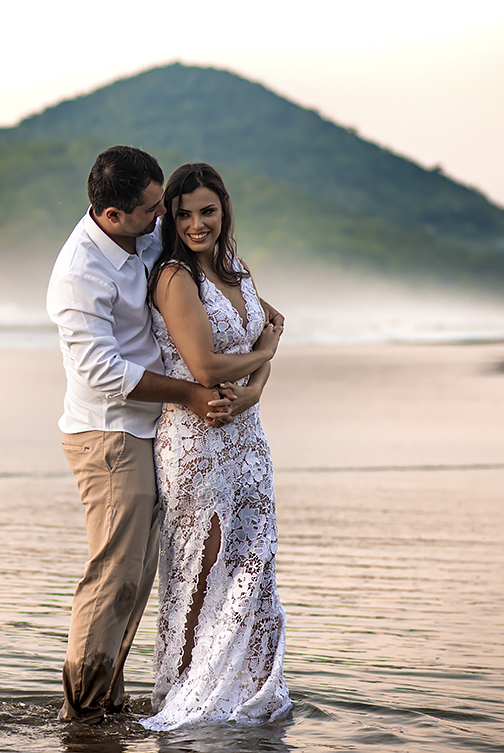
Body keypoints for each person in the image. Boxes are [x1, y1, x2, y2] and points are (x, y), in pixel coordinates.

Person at [46, 146, 251, 724]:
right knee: (115, 574)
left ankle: (106, 698)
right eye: (152, 209)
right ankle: (82, 712)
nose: (164, 217)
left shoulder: (140, 235)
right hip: (108, 436)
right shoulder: (79, 273)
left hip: (149, 428)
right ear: (113, 214)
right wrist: (188, 392)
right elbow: (99, 371)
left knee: (137, 580)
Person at [140, 162, 292, 731]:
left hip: (247, 439)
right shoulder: (176, 278)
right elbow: (205, 367)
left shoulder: (237, 269)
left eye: (207, 210)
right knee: (201, 572)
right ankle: (182, 694)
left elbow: (255, 355)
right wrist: (266, 353)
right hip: (196, 441)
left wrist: (252, 391)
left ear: (224, 209)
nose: (197, 223)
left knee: (255, 564)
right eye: (183, 214)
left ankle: (246, 691)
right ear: (171, 220)